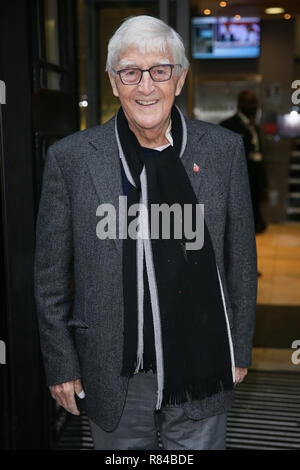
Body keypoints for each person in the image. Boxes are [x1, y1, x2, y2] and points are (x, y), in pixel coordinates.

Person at [34, 15, 257, 451]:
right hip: (111, 366)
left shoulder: (223, 151)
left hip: (203, 357)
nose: (146, 86)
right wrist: (61, 363)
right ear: (114, 83)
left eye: (160, 70)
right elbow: (49, 278)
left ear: (181, 77)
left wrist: (240, 348)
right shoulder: (72, 159)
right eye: (131, 72)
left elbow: (241, 261)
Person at [220, 90, 268, 234]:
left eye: (255, 103)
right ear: (241, 105)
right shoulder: (228, 125)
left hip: (255, 179)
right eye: (250, 103)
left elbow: (261, 155)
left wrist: (264, 184)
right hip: (238, 180)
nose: (254, 107)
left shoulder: (255, 127)